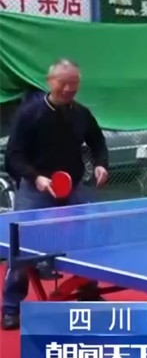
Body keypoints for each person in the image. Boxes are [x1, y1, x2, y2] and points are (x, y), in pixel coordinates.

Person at [2, 59, 110, 331]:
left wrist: (101, 164)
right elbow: (13, 155)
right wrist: (36, 177)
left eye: (74, 83)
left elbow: (97, 141)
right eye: (64, 83)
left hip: (72, 187)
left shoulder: (81, 114)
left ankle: (87, 290)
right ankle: (11, 307)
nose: (69, 88)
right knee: (21, 248)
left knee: (85, 240)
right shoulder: (30, 114)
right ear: (50, 82)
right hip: (36, 189)